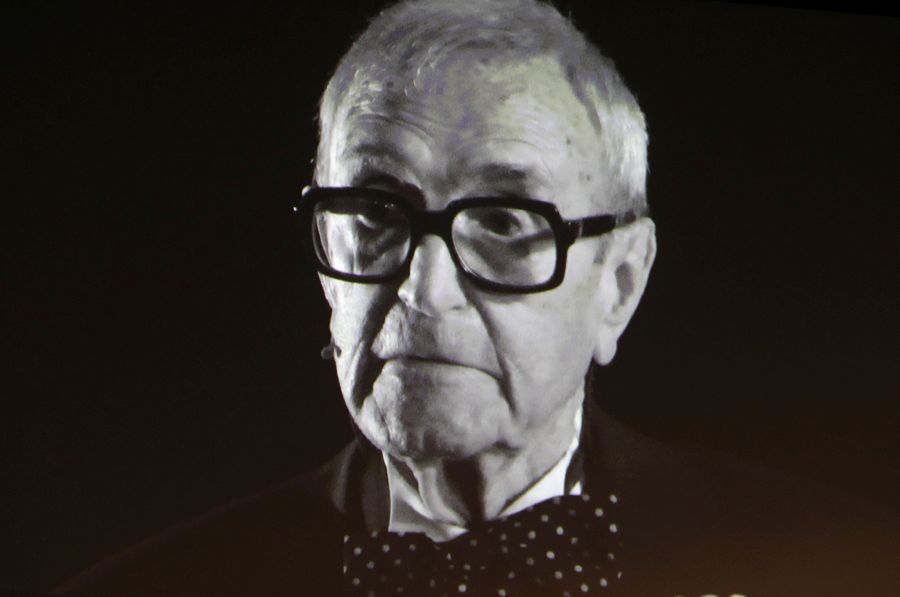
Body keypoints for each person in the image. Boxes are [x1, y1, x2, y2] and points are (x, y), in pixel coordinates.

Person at [58, 1, 898, 595]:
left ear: (619, 284)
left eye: (503, 220)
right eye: (375, 212)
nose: (424, 288)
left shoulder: (850, 566)